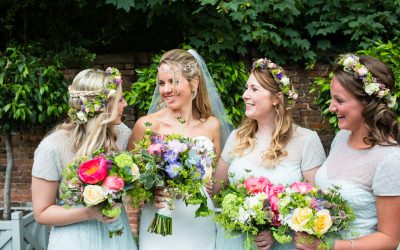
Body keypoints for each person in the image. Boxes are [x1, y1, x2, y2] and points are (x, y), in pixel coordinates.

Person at [213, 58, 326, 250]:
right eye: (246, 88)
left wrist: (277, 230)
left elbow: (318, 205)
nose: (244, 95)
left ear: (276, 98)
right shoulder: (236, 137)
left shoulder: (306, 140)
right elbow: (217, 193)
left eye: (254, 89)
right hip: (234, 242)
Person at [128, 49, 232, 250]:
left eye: (174, 81)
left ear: (194, 83)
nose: (166, 90)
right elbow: (131, 183)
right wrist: (151, 191)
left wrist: (211, 184)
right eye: (161, 83)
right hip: (159, 221)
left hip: (200, 222)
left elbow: (218, 180)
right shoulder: (146, 125)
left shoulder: (211, 125)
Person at [294, 54, 400, 249]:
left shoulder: (389, 159)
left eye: (339, 100)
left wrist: (329, 246)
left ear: (368, 103)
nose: (331, 107)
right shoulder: (341, 138)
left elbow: (389, 238)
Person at [31, 67, 137, 250]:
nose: (125, 104)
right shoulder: (53, 147)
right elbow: (42, 213)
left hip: (118, 237)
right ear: (104, 105)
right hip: (75, 240)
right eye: (120, 100)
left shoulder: (123, 135)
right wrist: (90, 213)